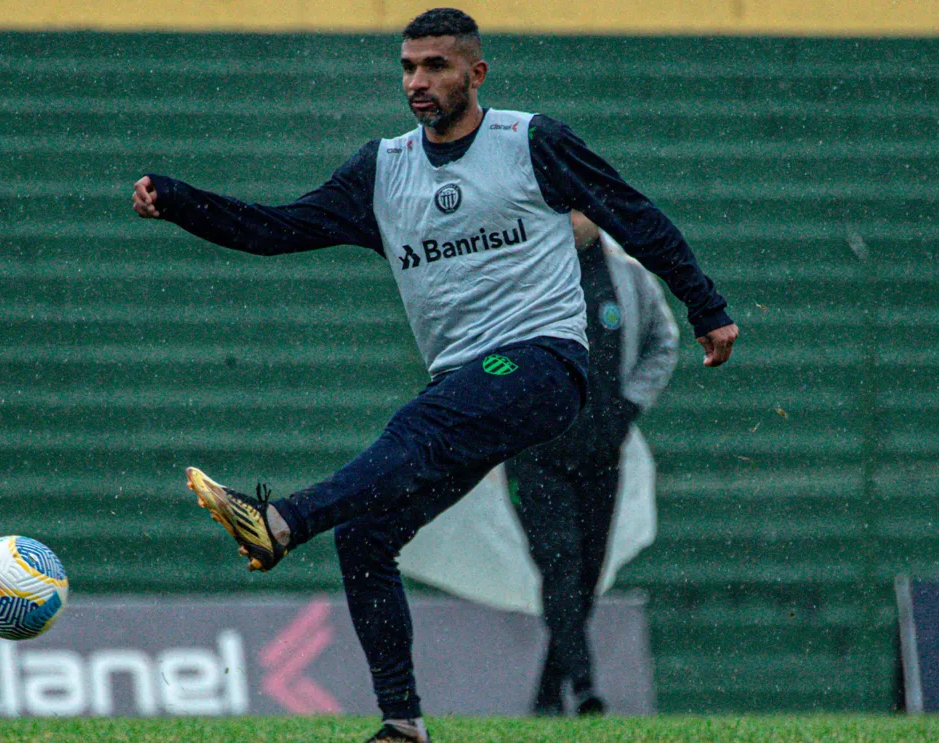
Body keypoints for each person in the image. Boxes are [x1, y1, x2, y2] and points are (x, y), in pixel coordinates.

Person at [132, 9, 738, 741]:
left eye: (436, 67)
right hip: (467, 388)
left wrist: (705, 305)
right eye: (408, 67)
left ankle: (282, 519)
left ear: (476, 73)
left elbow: (631, 211)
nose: (418, 82)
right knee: (367, 539)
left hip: (544, 364)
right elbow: (278, 229)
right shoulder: (382, 169)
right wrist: (179, 203)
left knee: (419, 425)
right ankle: (402, 721)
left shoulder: (530, 141)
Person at [506, 212, 679, 716]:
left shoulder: (628, 275)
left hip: (602, 453)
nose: (572, 217)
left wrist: (628, 405)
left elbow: (663, 344)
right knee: (558, 560)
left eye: (580, 206)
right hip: (536, 454)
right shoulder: (526, 271)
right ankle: (583, 685)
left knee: (586, 572)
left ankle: (547, 696)